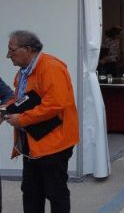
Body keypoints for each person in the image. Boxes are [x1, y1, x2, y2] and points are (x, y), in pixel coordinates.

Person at [4, 30, 79, 212]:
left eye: (11, 50)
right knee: (31, 192)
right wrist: (5, 110)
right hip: (32, 143)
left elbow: (55, 104)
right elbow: (20, 99)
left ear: (27, 49)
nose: (8, 56)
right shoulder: (23, 72)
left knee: (55, 192)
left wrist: (22, 120)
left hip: (54, 144)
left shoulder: (51, 68)